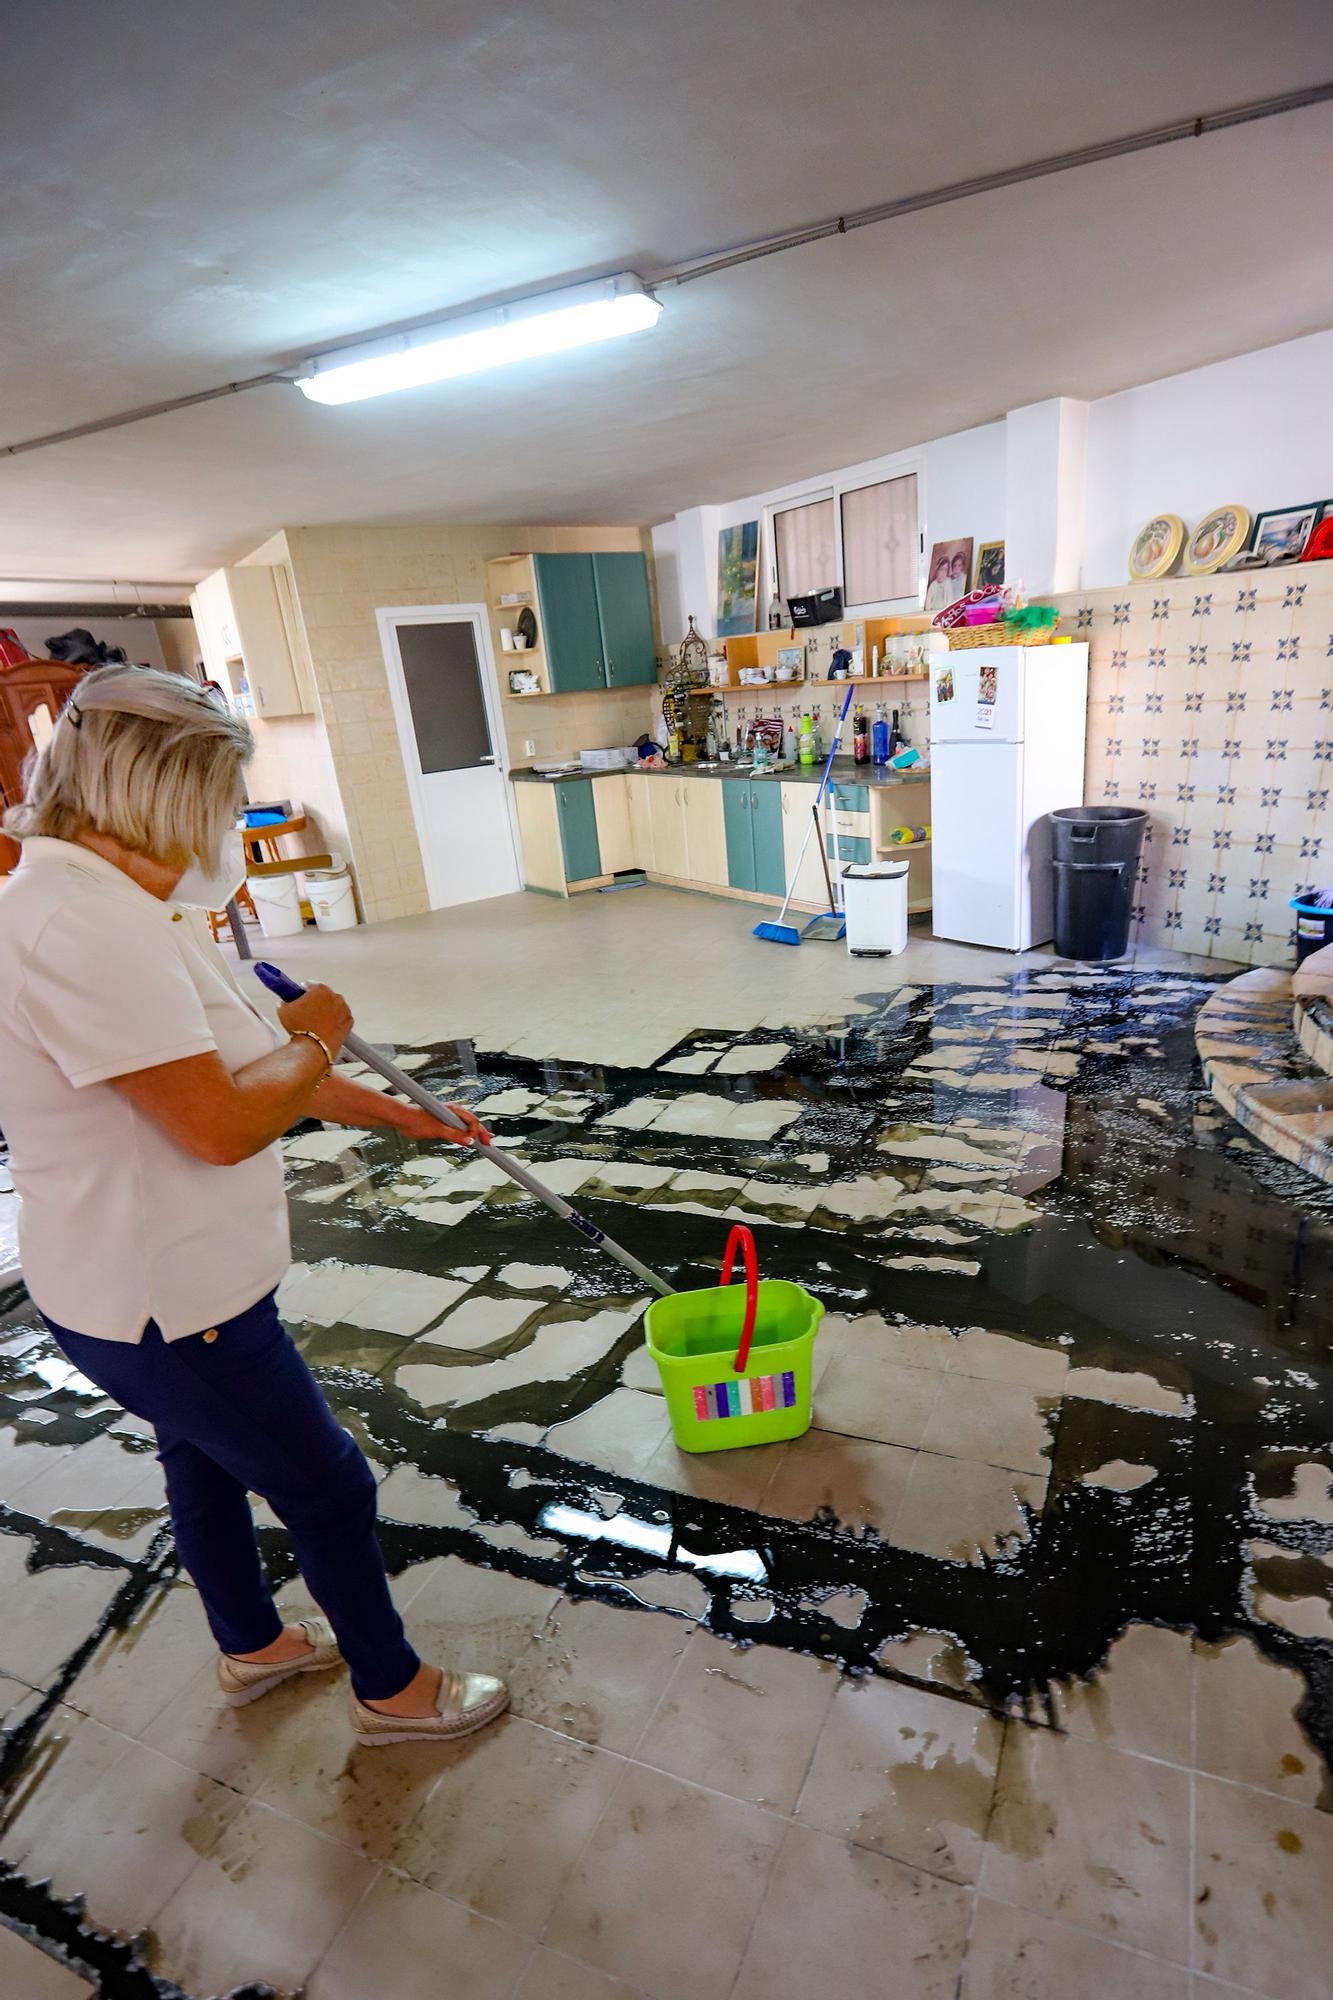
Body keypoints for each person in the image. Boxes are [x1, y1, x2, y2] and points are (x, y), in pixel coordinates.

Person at [0, 666, 507, 1747]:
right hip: (163, 1293)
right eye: (225, 800)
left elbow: (252, 1067)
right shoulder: (84, 926)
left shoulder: (129, 903)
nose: (232, 823)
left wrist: (397, 1113)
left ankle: (252, 1642)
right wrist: (321, 1029)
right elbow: (223, 1119)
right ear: (165, 791)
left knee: (200, 1455)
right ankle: (393, 1688)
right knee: (325, 1485)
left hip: (149, 1281)